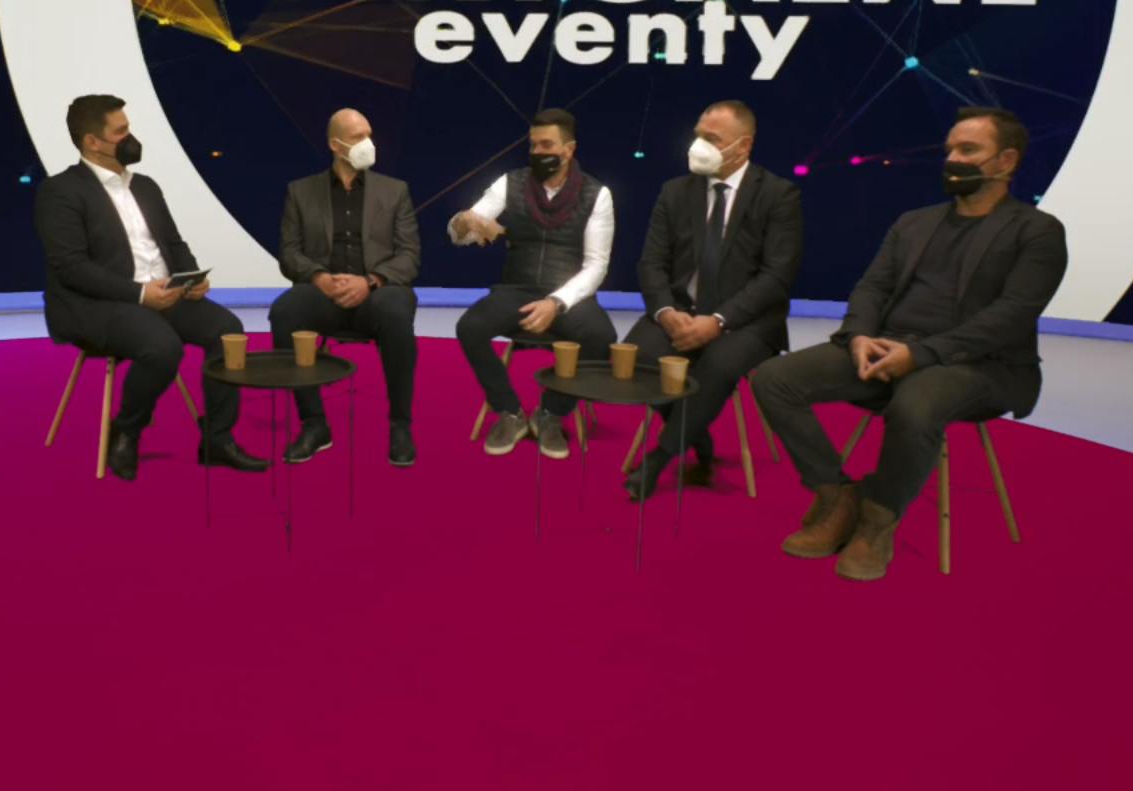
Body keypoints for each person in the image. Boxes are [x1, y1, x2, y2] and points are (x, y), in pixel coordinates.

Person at [747, 107, 1068, 581]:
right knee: (775, 378)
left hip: (981, 364)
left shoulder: (1038, 231)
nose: (953, 159)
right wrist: (859, 336)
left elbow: (1011, 316)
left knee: (916, 405)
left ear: (1006, 161)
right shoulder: (913, 222)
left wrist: (920, 356)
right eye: (950, 150)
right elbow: (872, 288)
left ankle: (878, 521)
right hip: (887, 347)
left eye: (969, 150)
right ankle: (837, 496)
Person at [33, 93, 265, 482]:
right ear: (92, 141)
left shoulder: (146, 186)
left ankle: (217, 439)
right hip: (98, 304)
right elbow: (72, 269)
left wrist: (192, 278)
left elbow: (172, 243)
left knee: (229, 332)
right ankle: (127, 429)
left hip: (164, 294)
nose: (131, 138)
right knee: (163, 347)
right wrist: (140, 294)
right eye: (121, 131)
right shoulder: (60, 192)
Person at [620, 100, 804, 501]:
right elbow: (651, 263)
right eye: (698, 135)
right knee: (637, 358)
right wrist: (665, 312)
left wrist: (719, 320)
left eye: (712, 138)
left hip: (747, 322)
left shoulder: (778, 195)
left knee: (717, 366)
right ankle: (695, 434)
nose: (698, 146)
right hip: (679, 311)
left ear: (744, 145)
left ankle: (660, 457)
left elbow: (776, 277)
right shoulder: (674, 192)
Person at [449, 108, 619, 460]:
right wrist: (464, 222)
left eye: (547, 145)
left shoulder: (597, 194)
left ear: (568, 149)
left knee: (601, 337)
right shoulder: (509, 183)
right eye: (533, 145)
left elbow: (596, 266)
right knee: (469, 327)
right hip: (517, 289)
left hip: (570, 295)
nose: (538, 152)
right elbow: (464, 232)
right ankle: (509, 411)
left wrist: (556, 303)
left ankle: (551, 413)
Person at [267, 109, 423, 467]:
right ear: (335, 145)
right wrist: (320, 277)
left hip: (379, 289)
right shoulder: (300, 192)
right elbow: (289, 254)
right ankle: (314, 424)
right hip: (325, 290)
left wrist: (370, 281)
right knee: (285, 312)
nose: (368, 143)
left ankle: (400, 425)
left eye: (369, 134)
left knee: (396, 312)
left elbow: (410, 255)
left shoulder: (395, 191)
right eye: (357, 137)